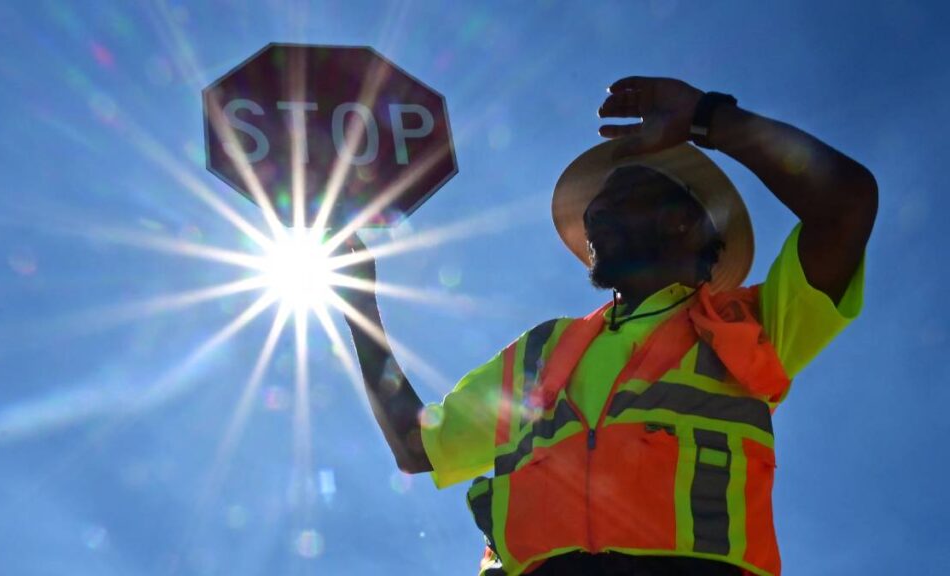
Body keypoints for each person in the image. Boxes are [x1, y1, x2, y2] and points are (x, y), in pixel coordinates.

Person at [337, 76, 877, 575]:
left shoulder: (750, 325)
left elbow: (845, 203)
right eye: (595, 208)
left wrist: (706, 117)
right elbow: (418, 446)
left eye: (618, 199)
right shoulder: (543, 351)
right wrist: (359, 305)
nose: (594, 216)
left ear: (685, 220)